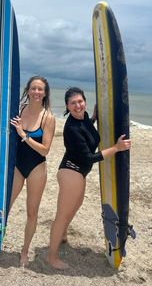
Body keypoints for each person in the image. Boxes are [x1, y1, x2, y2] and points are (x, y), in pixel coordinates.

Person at [47, 87, 131, 270]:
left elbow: (87, 130)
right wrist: (116, 148)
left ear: (84, 101)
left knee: (74, 207)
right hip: (71, 172)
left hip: (78, 173)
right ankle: (51, 257)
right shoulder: (71, 128)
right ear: (67, 106)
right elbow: (88, 158)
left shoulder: (84, 119)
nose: (78, 105)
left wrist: (93, 116)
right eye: (73, 103)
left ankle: (61, 236)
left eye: (80, 101)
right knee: (62, 215)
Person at [9, 76, 55, 266]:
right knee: (5, 207)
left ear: (45, 93)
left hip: (37, 166)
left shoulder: (48, 117)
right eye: (33, 88)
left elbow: (45, 149)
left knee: (31, 212)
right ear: (28, 90)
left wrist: (23, 135)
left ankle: (25, 251)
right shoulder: (18, 110)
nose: (36, 92)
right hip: (17, 165)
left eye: (40, 89)